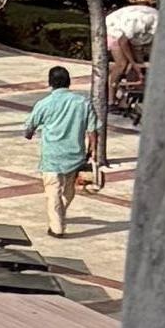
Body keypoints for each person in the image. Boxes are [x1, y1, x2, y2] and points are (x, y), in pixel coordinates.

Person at [27, 62, 103, 240]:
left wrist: (30, 133)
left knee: (53, 192)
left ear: (50, 83)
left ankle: (57, 228)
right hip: (75, 156)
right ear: (69, 82)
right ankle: (59, 216)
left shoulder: (44, 103)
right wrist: (93, 152)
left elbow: (29, 126)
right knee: (68, 191)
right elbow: (93, 131)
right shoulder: (83, 103)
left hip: (52, 157)